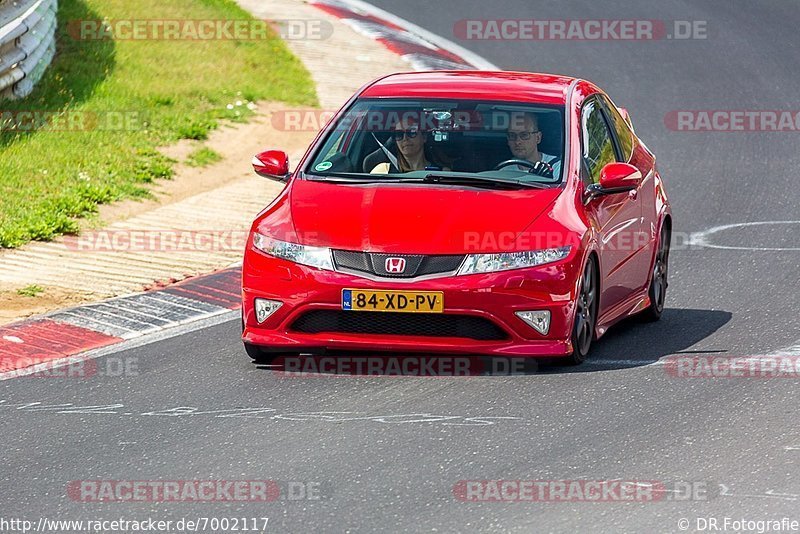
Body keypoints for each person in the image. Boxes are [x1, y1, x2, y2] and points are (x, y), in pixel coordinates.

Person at [370, 116, 450, 173]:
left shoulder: (442, 174)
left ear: (424, 137)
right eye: (399, 134)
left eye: (411, 132)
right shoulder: (383, 171)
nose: (405, 138)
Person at [505, 112, 561, 178]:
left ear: (538, 138)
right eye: (512, 135)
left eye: (524, 135)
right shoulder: (503, 171)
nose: (517, 141)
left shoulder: (557, 167)